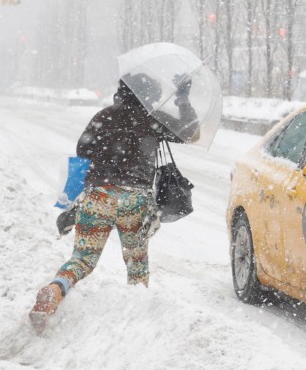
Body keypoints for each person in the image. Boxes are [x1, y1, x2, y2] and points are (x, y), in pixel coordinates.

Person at [30, 74, 198, 332]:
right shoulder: (152, 119)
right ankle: (135, 321)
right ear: (149, 96)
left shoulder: (102, 117)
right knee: (136, 263)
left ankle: (56, 288)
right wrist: (182, 98)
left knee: (83, 259)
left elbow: (82, 152)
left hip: (98, 196)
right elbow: (192, 132)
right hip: (136, 200)